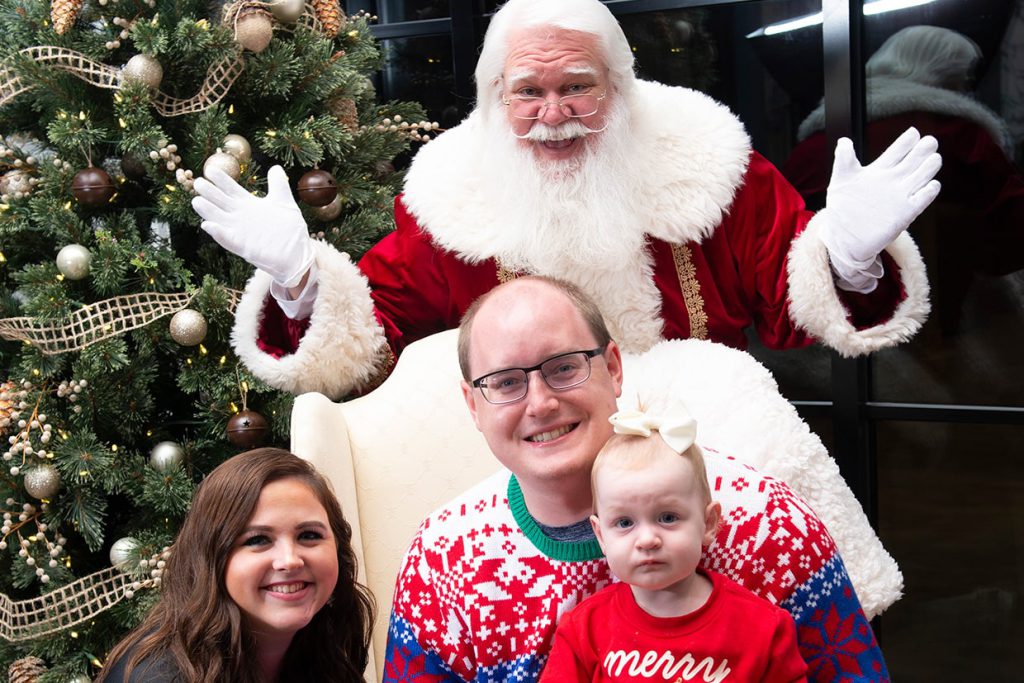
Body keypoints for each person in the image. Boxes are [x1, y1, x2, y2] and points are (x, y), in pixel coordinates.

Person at [192, 0, 941, 402]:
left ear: (619, 87)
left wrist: (849, 255)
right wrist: (299, 280)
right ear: (495, 98)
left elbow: (789, 301)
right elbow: (373, 334)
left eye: (576, 85)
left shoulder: (710, 165)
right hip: (527, 470)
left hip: (706, 455)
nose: (555, 114)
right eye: (529, 92)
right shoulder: (449, 197)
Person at [381, 275, 888, 682]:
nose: (540, 403)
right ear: (473, 405)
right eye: (506, 382)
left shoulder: (766, 521)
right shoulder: (443, 557)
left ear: (614, 368)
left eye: (563, 368)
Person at [784, 24, 1024, 334]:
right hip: (940, 321)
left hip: (823, 318)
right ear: (940, 74)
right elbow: (1013, 223)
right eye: (963, 78)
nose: (967, 88)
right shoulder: (959, 134)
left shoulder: (822, 138)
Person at [539, 409, 807, 682]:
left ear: (709, 522)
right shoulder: (583, 631)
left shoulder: (762, 628)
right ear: (600, 535)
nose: (647, 540)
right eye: (624, 523)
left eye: (668, 518)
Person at [97, 448, 373, 683]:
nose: (290, 560)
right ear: (212, 558)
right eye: (257, 540)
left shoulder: (327, 641)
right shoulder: (158, 676)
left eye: (309, 535)